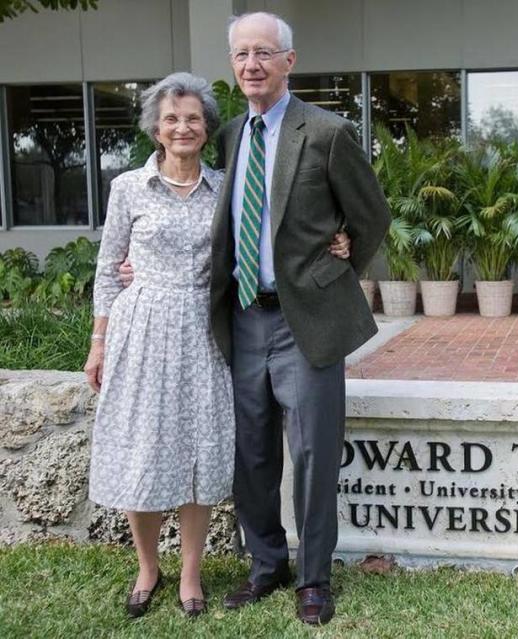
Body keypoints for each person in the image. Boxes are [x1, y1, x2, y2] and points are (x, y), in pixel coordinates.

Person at [212, 12, 390, 626]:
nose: (251, 64)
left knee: (313, 452)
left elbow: (371, 216)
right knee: (252, 454)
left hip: (304, 320)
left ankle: (313, 578)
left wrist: (338, 263)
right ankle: (267, 565)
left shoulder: (328, 132)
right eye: (241, 54)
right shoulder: (232, 134)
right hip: (243, 318)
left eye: (264, 52)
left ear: (290, 61)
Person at [84, 72, 233, 619]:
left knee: (199, 451)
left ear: (206, 127)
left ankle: (190, 573)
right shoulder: (128, 187)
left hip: (203, 329)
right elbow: (107, 269)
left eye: (192, 117)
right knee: (140, 448)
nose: (182, 127)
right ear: (155, 128)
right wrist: (98, 344)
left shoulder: (224, 187)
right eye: (171, 118)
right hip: (141, 329)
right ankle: (148, 566)